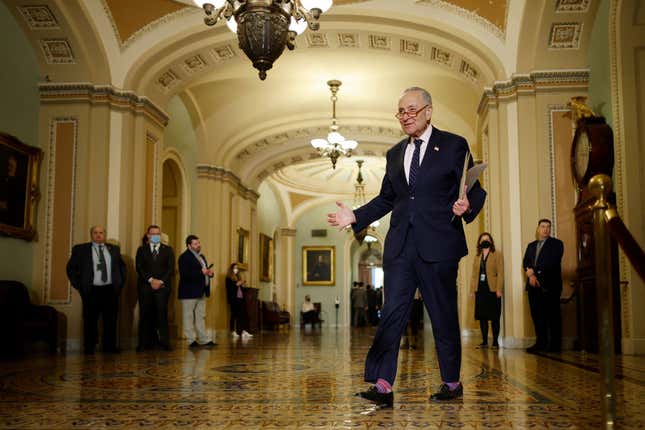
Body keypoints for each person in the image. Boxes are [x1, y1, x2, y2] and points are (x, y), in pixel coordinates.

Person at [328, 86, 486, 407]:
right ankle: (383, 384)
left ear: (429, 111)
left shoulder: (454, 145)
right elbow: (388, 198)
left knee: (442, 315)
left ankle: (451, 382)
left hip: (439, 244)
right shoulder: (395, 153)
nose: (406, 116)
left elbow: (473, 190)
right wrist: (355, 216)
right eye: (401, 111)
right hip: (400, 246)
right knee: (392, 313)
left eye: (412, 109)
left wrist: (466, 206)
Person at [66, 226, 126, 354]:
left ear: (104, 234)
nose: (98, 235)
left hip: (110, 290)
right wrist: (79, 285)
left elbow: (122, 268)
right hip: (91, 290)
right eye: (95, 233)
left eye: (101, 233)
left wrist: (119, 284)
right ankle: (89, 347)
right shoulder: (81, 249)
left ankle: (109, 347)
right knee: (90, 319)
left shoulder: (114, 249)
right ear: (91, 235)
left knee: (110, 319)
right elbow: (71, 268)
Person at [522, 219, 564, 353]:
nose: (545, 229)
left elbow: (552, 262)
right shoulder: (531, 246)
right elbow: (525, 263)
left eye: (548, 227)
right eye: (543, 226)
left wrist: (534, 272)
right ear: (538, 229)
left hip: (550, 286)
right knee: (537, 316)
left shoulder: (557, 244)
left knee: (553, 317)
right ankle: (540, 343)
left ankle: (554, 346)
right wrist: (531, 275)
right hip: (533, 286)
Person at [135, 225, 175, 351]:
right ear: (148, 235)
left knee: (162, 315)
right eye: (153, 233)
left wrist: (160, 281)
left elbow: (170, 269)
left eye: (158, 233)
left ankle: (164, 343)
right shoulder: (141, 250)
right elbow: (139, 268)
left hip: (163, 287)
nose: (156, 236)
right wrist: (151, 280)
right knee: (145, 315)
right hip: (146, 287)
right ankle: (144, 343)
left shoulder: (168, 250)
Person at [178, 234, 216, 348]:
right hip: (189, 292)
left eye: (198, 243)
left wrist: (210, 273)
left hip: (201, 291)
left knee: (201, 316)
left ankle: (203, 339)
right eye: (195, 244)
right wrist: (202, 273)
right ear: (189, 245)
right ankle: (191, 340)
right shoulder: (184, 257)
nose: (198, 245)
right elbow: (185, 275)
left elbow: (205, 271)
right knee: (188, 316)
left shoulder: (201, 257)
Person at [469, 232, 504, 349]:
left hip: (493, 290)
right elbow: (474, 275)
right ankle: (484, 341)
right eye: (483, 239)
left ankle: (495, 341)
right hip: (480, 290)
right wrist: (472, 290)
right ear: (479, 242)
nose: (485, 240)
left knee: (494, 316)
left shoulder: (497, 254)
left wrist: (499, 289)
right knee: (482, 316)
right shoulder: (477, 256)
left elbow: (500, 273)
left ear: (491, 241)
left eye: (487, 239)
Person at [225, 263, 253, 340]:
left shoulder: (238, 277)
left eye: (237, 268)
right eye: (235, 268)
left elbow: (239, 287)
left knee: (242, 315)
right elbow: (230, 288)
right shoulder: (228, 278)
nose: (236, 269)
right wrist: (237, 284)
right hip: (233, 299)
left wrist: (242, 284)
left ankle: (242, 331)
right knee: (234, 315)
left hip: (240, 298)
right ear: (231, 269)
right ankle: (232, 331)